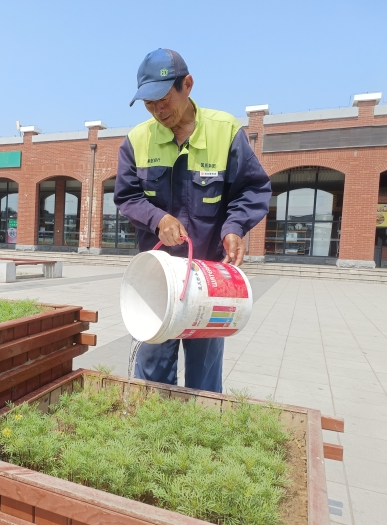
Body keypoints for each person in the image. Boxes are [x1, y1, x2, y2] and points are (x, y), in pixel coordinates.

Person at [114, 49, 271, 393]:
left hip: (209, 283)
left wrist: (234, 227)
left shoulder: (226, 132)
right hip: (158, 283)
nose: (158, 111)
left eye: (163, 99)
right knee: (151, 377)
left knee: (205, 380)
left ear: (187, 85)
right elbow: (126, 197)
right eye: (149, 104)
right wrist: (157, 219)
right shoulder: (136, 142)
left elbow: (252, 189)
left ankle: (199, 442)